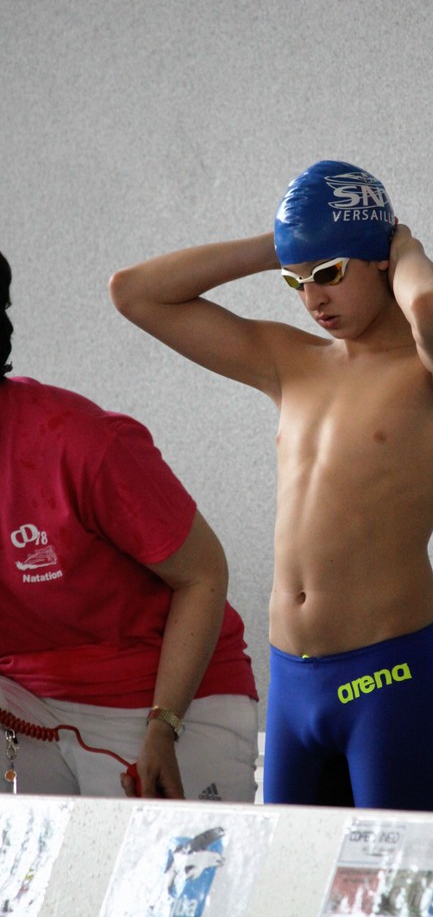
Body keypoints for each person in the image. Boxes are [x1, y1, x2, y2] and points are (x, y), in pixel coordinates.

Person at [110, 159, 433, 812]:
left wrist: (403, 246)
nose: (313, 298)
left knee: (391, 877)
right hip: (291, 683)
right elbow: (135, 293)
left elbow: (432, 304)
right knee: (289, 872)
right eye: (296, 281)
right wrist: (287, 244)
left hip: (388, 677)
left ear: (379, 262)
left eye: (329, 274)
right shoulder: (291, 362)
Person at [0, 249, 258, 801]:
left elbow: (203, 574)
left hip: (163, 701)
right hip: (26, 701)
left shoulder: (78, 441)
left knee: (169, 860)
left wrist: (163, 727)